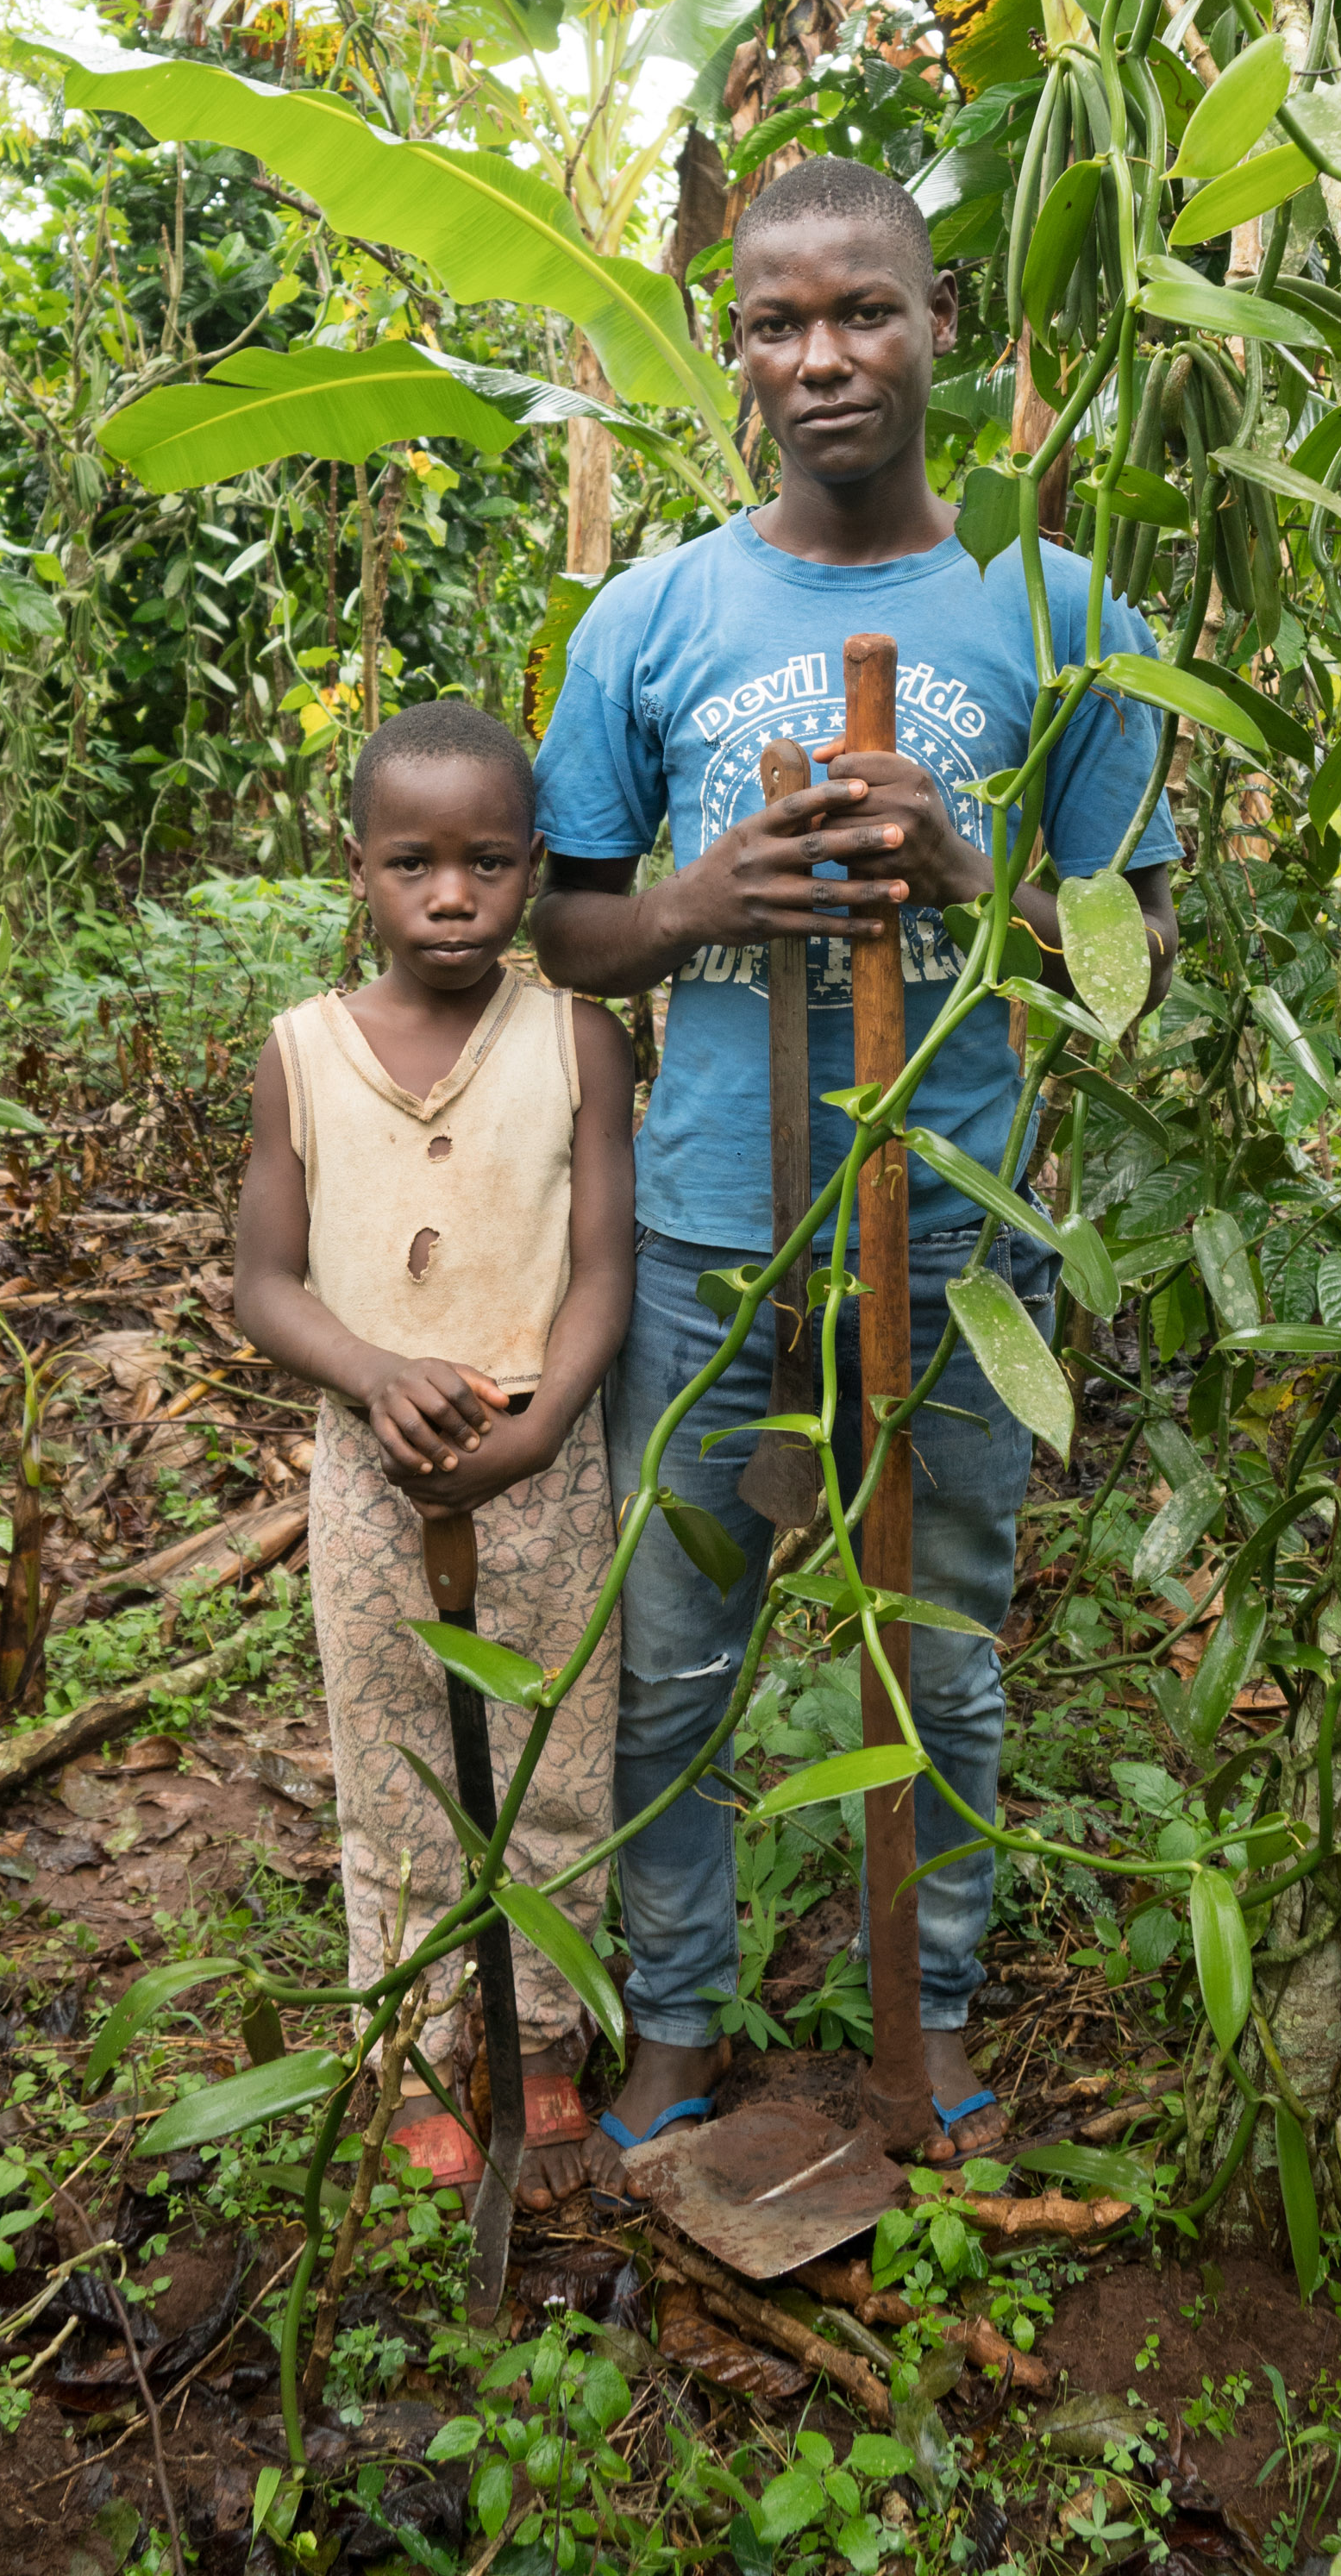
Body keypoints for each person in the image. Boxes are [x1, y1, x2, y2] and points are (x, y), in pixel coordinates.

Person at [530, 154, 1177, 2175]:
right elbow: (561, 923)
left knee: (946, 1637)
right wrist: (705, 892)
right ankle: (681, 2019)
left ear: (939, 324)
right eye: (775, 322)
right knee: (681, 1651)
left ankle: (934, 2010)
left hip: (957, 1246)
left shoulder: (1056, 614)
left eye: (862, 311)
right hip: (719, 1233)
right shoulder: (653, 613)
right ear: (732, 350)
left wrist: (970, 872)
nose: (821, 357)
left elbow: (1136, 957)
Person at [233, 696, 635, 2209]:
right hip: (371, 1462)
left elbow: (605, 1265)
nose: (452, 899)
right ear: (358, 871)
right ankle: (405, 2042)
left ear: (535, 866)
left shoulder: (577, 1037)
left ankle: (533, 2032)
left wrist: (539, 1433)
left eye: (486, 865)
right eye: (413, 865)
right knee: (394, 1767)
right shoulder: (306, 1053)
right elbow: (262, 1279)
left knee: (557, 1754)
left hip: (544, 1456)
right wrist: (379, 1370)